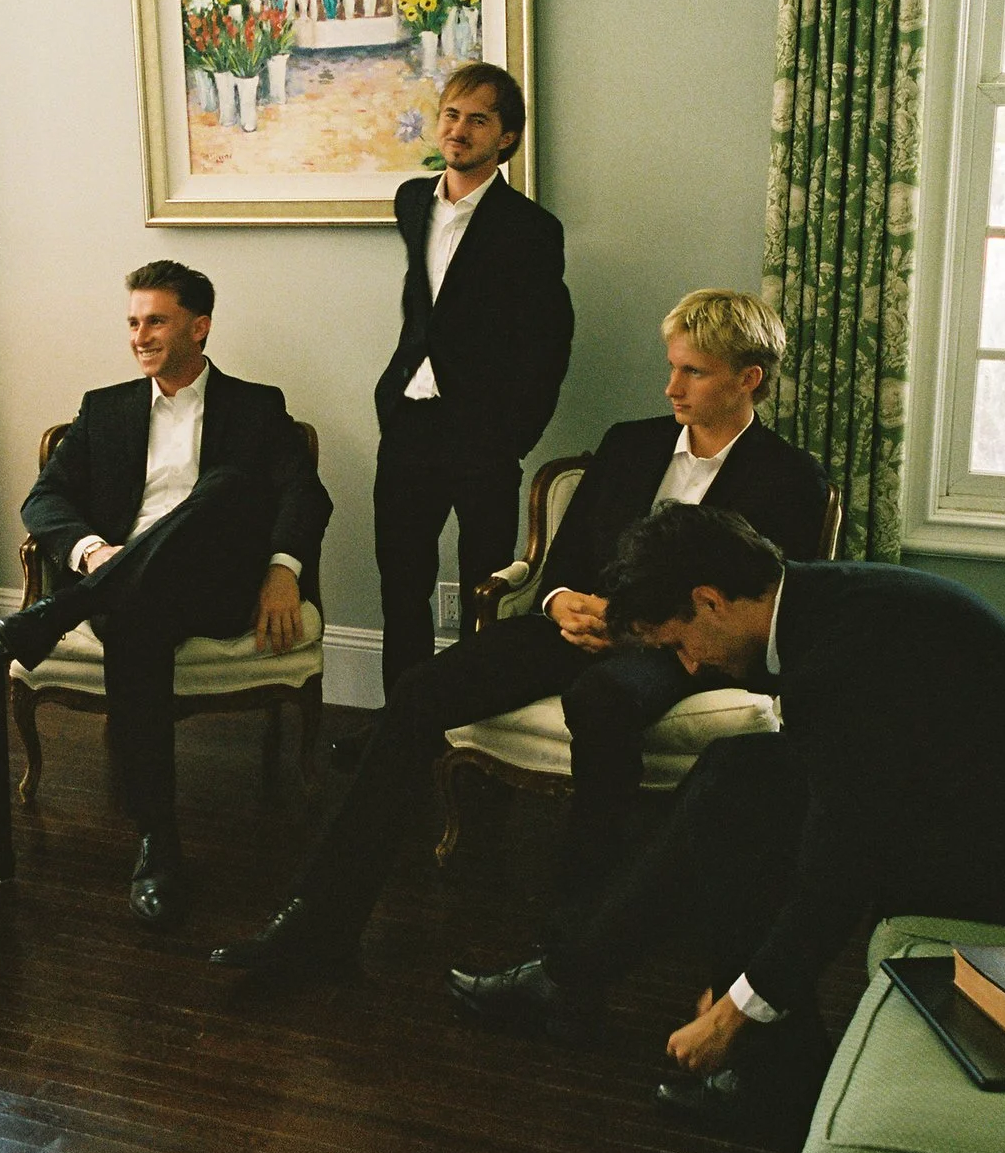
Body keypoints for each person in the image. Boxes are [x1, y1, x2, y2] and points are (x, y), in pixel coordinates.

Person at [209, 290, 830, 980]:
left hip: (679, 653)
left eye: (694, 372)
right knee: (419, 691)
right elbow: (562, 562)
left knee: (602, 702)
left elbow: (755, 609)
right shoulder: (630, 444)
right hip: (578, 627)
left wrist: (638, 627)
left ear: (749, 378)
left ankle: (568, 954)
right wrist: (561, 602)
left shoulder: (790, 478)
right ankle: (319, 921)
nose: (671, 387)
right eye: (672, 366)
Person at [448, 505, 1005, 1135]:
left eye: (680, 641)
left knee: (745, 805)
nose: (689, 664)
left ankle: (763, 1068)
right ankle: (574, 975)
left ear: (710, 600)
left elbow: (839, 868)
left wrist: (739, 1005)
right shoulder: (825, 603)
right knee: (735, 770)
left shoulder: (836, 662)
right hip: (970, 801)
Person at [0, 260, 332, 927]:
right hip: (127, 586)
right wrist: (93, 552)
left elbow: (304, 493)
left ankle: (60, 611)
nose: (139, 336)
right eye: (132, 322)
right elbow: (45, 497)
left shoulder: (256, 406)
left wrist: (283, 568)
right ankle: (158, 841)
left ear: (199, 327)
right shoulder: (105, 408)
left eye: (155, 321)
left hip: (217, 585)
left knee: (225, 486)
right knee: (134, 617)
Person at [372, 61, 573, 699]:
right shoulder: (411, 202)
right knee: (401, 583)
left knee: (483, 584)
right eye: (451, 115)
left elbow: (549, 343)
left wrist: (510, 437)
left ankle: (466, 723)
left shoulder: (531, 229)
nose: (458, 130)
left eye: (478, 120)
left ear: (506, 137)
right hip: (408, 421)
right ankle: (402, 723)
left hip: (482, 436)